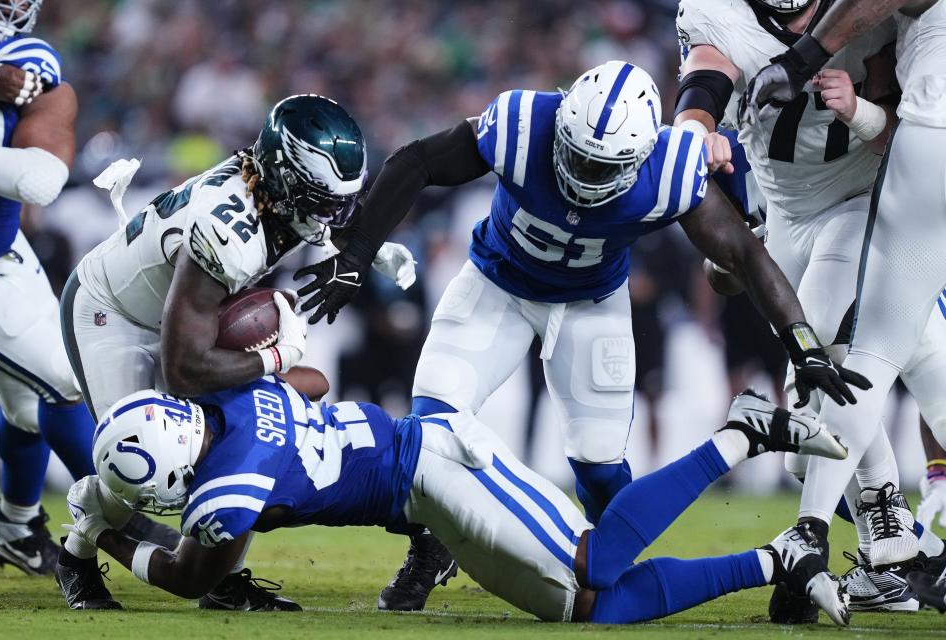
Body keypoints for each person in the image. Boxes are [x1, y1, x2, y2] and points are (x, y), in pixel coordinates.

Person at [293, 59, 869, 610]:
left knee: (597, 466)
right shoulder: (522, 124)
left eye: (603, 166)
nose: (585, 174)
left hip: (590, 307)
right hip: (497, 287)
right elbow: (418, 160)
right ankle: (430, 546)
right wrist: (358, 252)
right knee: (432, 430)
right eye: (579, 157)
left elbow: (742, 252)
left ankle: (615, 567)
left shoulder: (669, 169)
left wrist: (802, 342)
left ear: (640, 155)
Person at [63, 379, 852, 625]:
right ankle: (779, 557)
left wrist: (109, 529)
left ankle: (747, 432)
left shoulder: (225, 488)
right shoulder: (229, 400)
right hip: (423, 486)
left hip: (437, 465)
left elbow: (188, 578)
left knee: (596, 559)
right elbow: (308, 385)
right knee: (590, 611)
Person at [54, 94, 415, 611]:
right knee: (151, 457)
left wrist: (367, 250)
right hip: (116, 315)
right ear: (286, 180)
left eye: (341, 199)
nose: (334, 212)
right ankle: (77, 551)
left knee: (240, 442)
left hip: (179, 309)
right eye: (322, 199)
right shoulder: (230, 234)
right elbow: (182, 371)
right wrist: (277, 357)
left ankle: (221, 578)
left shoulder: (273, 183)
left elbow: (316, 212)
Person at [675, 0, 946, 616]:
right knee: (841, 420)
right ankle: (893, 554)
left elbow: (902, 137)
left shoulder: (871, 15)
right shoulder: (720, 13)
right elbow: (704, 84)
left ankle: (829, 542)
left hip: (859, 202)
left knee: (828, 357)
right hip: (782, 216)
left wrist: (863, 110)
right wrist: (694, 141)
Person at [0, 0, 104, 577]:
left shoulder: (22, 57)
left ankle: (15, 525)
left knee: (34, 398)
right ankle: (120, 520)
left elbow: (39, 178)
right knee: (57, 380)